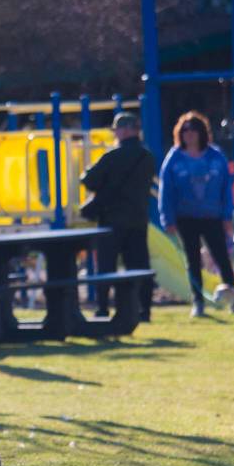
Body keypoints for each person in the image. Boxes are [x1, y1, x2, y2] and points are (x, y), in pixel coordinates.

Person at [158, 110, 234, 318]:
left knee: (222, 257)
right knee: (192, 260)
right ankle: (198, 302)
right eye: (185, 130)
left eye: (193, 130)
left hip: (213, 216)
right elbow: (166, 191)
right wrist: (167, 218)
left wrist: (228, 216)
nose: (189, 134)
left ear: (202, 132)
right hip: (186, 217)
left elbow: (226, 189)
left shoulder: (216, 157)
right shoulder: (174, 159)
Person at [80, 113, 156, 321]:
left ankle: (103, 308)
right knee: (140, 267)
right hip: (138, 220)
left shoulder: (111, 157)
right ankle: (145, 310)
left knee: (106, 268)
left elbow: (89, 181)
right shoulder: (147, 157)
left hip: (111, 220)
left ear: (124, 131)